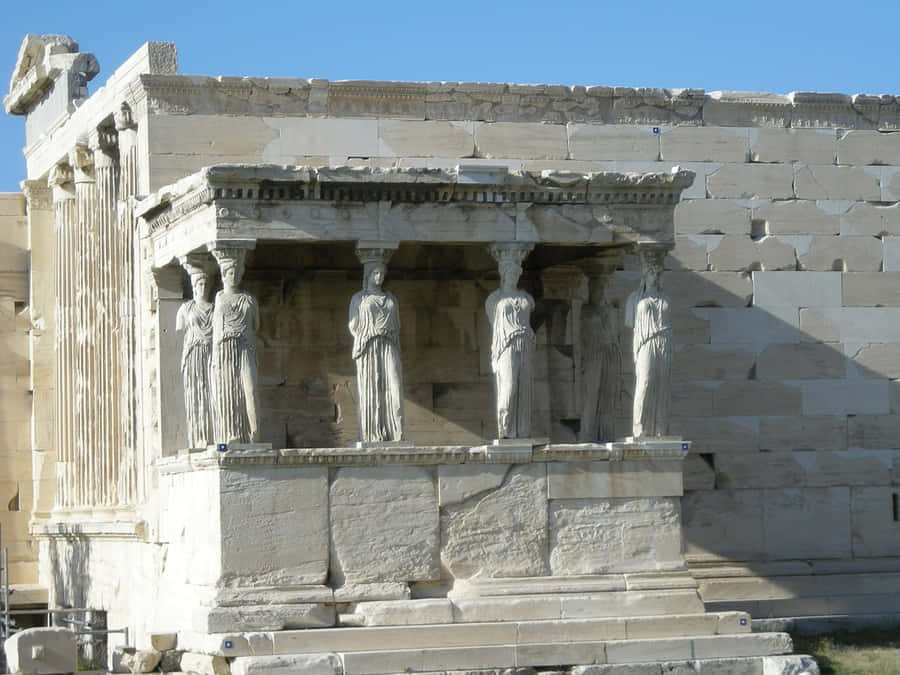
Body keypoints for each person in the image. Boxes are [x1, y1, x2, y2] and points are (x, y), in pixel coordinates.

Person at [349, 262, 404, 442]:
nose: (379, 277)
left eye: (382, 274)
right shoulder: (359, 298)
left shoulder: (391, 298)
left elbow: (398, 324)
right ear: (368, 275)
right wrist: (366, 332)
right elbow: (352, 325)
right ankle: (371, 435)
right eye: (376, 273)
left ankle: (395, 433)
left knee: (394, 385)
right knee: (371, 386)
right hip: (368, 346)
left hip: (389, 344)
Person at [211, 250, 259, 445]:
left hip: (246, 347)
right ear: (223, 274)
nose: (235, 276)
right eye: (231, 272)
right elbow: (216, 329)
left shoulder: (249, 299)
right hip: (224, 350)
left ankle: (255, 435)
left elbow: (256, 325)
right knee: (227, 392)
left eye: (238, 271)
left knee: (250, 390)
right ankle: (231, 437)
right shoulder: (219, 299)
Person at [485, 261, 535, 438]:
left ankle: (522, 430)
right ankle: (505, 429)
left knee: (524, 386)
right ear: (504, 275)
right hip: (506, 346)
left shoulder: (526, 297)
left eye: (516, 273)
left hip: (525, 343)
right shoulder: (494, 299)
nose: (513, 276)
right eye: (510, 273)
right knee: (509, 385)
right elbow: (494, 322)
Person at [625, 254, 672, 438]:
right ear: (644, 275)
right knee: (644, 382)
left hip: (665, 341)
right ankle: (640, 428)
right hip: (645, 342)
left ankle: (660, 429)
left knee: (662, 386)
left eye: (658, 272)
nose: (655, 275)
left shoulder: (665, 298)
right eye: (651, 271)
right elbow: (631, 322)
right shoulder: (634, 299)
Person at [176, 266, 213, 448]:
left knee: (211, 394)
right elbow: (180, 328)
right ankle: (197, 438)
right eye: (199, 283)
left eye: (206, 283)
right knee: (195, 394)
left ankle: (212, 437)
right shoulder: (185, 309)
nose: (203, 287)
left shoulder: (214, 309)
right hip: (193, 354)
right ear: (193, 285)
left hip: (211, 354)